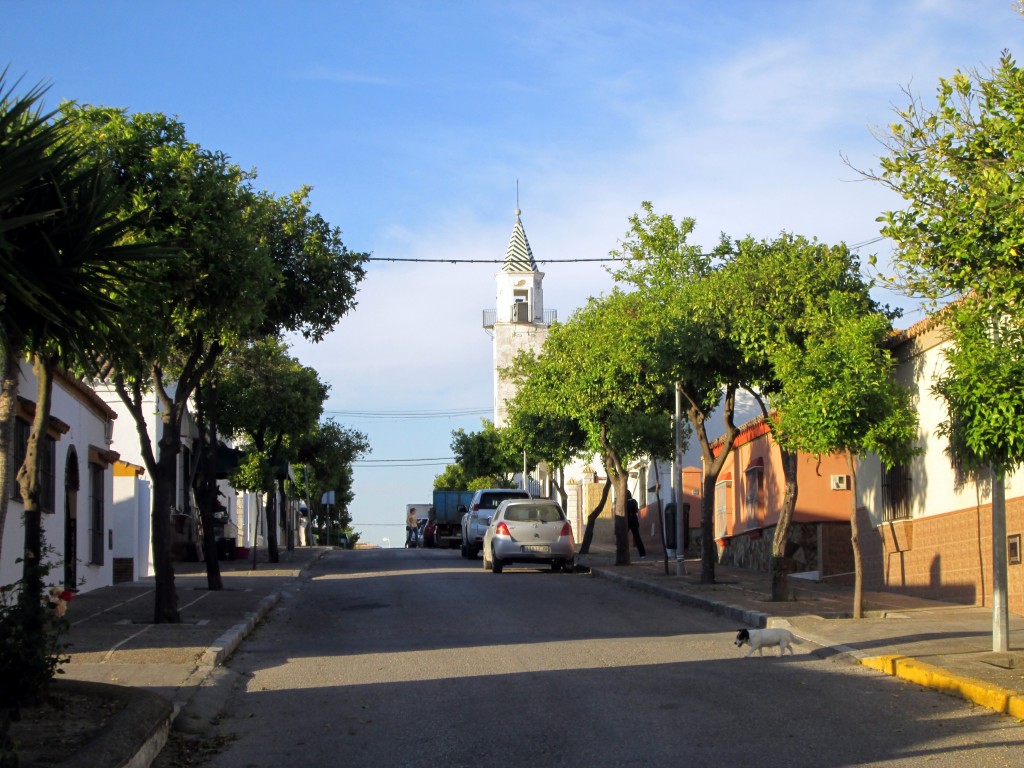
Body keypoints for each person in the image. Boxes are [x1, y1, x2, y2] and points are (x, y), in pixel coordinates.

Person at [626, 490, 646, 559]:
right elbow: (636, 510)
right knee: (637, 537)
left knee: (624, 537)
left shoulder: (624, 503)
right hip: (634, 520)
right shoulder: (634, 501)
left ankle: (624, 553)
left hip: (626, 521)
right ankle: (642, 554)